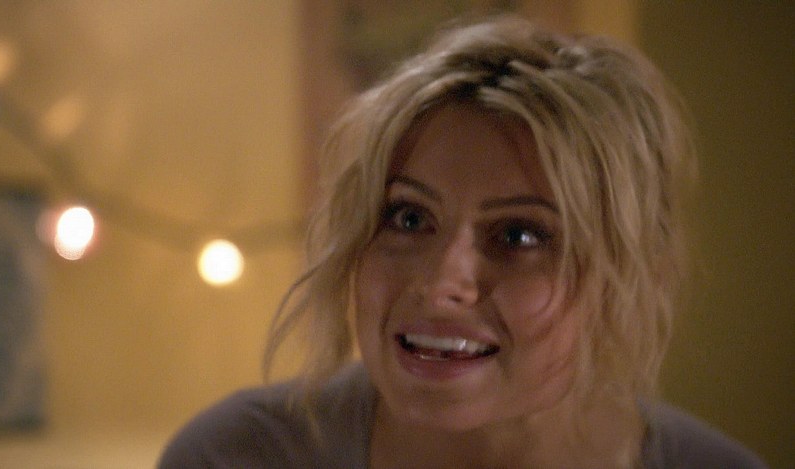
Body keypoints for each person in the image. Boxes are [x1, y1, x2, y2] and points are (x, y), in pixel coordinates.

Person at [159, 15, 767, 468]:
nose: (441, 284)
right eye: (408, 218)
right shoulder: (237, 456)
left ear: (626, 275)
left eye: (519, 235)